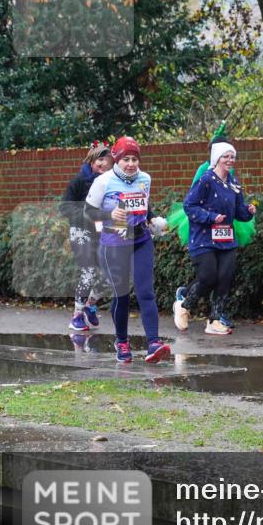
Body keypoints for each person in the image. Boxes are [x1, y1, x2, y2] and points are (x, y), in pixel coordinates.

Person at [84, 136, 170, 363]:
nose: (131, 164)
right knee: (121, 296)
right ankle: (121, 341)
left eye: (135, 159)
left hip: (140, 239)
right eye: (126, 159)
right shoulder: (104, 181)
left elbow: (143, 204)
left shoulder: (145, 179)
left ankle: (154, 343)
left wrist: (153, 220)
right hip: (113, 243)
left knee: (146, 292)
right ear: (116, 160)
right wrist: (109, 215)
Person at [167, 122, 256, 330]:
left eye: (232, 157)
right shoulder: (205, 179)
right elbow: (190, 205)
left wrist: (248, 212)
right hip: (204, 236)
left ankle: (215, 319)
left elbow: (238, 212)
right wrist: (210, 217)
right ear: (217, 158)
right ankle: (184, 304)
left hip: (226, 238)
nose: (230, 160)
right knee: (208, 276)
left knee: (225, 277)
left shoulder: (234, 183)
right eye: (226, 156)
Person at [59, 141, 112, 331]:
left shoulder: (110, 183)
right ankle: (77, 316)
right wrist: (86, 213)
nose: (104, 164)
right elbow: (64, 207)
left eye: (108, 161)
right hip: (81, 231)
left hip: (101, 232)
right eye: (100, 160)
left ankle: (90, 304)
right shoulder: (79, 181)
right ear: (91, 160)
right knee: (88, 272)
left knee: (110, 274)